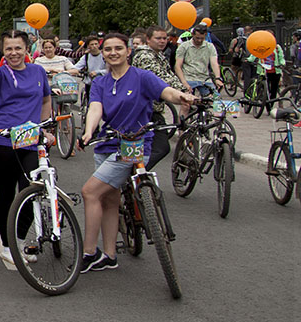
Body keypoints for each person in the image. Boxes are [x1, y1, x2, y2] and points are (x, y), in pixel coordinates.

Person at [79, 33, 194, 272]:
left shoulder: (142, 77)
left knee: (89, 192)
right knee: (110, 200)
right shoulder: (101, 82)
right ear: (103, 53)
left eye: (118, 48)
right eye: (108, 49)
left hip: (134, 144)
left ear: (128, 51)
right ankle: (109, 255)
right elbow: (95, 108)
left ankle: (89, 252)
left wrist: (181, 96)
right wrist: (89, 131)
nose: (113, 53)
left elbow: (166, 92)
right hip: (107, 144)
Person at [0, 19, 50, 265]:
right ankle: (7, 246)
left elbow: (46, 101)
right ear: (3, 51)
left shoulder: (38, 71)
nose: (14, 53)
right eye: (9, 49)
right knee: (6, 194)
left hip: (29, 142)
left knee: (30, 192)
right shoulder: (2, 73)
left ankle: (18, 238)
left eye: (18, 48)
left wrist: (46, 128)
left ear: (27, 49)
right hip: (2, 142)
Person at [131, 26, 188, 168]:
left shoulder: (159, 55)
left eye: (164, 38)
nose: (162, 41)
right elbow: (159, 78)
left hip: (154, 109)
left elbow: (169, 75)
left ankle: (135, 176)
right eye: (158, 38)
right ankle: (132, 175)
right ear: (148, 40)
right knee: (159, 148)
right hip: (143, 109)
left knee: (152, 148)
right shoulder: (145, 56)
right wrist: (182, 92)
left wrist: (184, 89)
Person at [174, 24, 223, 91]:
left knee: (214, 98)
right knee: (187, 98)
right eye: (197, 38)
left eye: (202, 38)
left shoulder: (210, 46)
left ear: (205, 35)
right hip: (188, 78)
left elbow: (214, 63)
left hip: (205, 78)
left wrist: (217, 78)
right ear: (192, 34)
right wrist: (184, 82)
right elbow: (177, 66)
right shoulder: (184, 46)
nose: (199, 40)